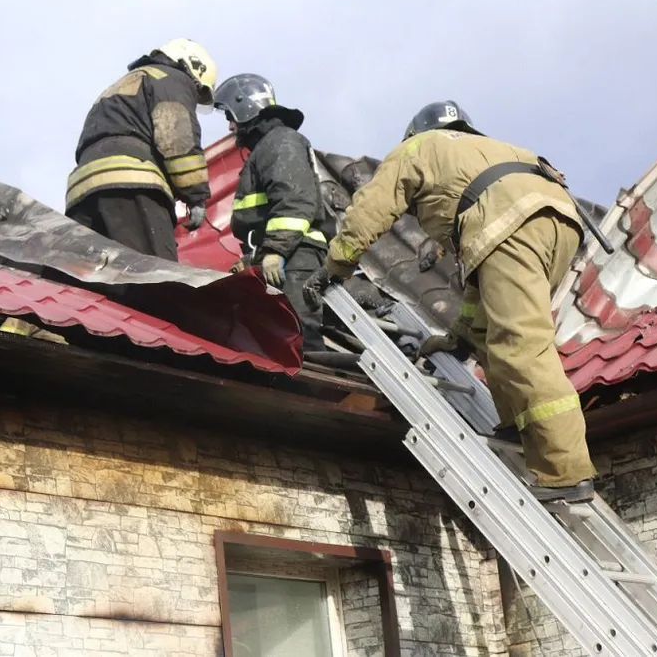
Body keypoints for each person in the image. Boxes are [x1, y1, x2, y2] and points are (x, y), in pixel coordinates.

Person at [303, 100, 597, 503]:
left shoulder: (418, 147)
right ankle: (514, 423)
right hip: (559, 223)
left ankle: (565, 473)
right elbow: (481, 295)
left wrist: (335, 265)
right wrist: (459, 335)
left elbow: (372, 207)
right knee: (498, 331)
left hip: (509, 225)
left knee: (521, 345)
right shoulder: (492, 150)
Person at [65, 38, 217, 261]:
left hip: (82, 191)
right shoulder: (170, 78)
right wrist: (196, 196)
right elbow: (176, 138)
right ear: (193, 68)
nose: (194, 95)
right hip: (132, 182)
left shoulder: (126, 82)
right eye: (198, 89)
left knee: (93, 281)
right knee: (157, 276)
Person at [213, 73, 331, 352]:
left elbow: (295, 201)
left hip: (295, 256)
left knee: (298, 338)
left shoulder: (280, 142)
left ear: (245, 107)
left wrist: (276, 250)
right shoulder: (269, 146)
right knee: (276, 339)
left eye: (230, 115)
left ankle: (313, 394)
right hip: (282, 255)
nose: (230, 125)